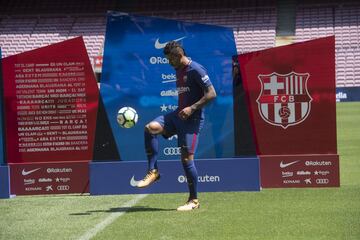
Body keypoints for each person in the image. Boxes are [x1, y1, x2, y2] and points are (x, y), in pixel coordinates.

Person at [136, 40, 217, 211]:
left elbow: (212, 94)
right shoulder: (178, 70)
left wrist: (192, 108)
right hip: (177, 116)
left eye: (170, 59)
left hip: (192, 120)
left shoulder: (196, 69)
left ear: (179, 55)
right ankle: (153, 171)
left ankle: (193, 200)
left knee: (187, 159)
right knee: (150, 128)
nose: (168, 63)